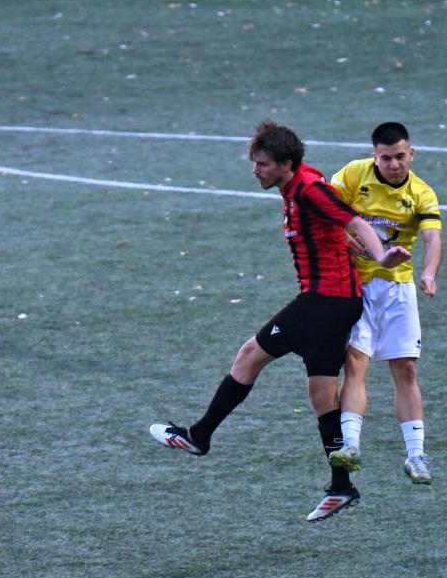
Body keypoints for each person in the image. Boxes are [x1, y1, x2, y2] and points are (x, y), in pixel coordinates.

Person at [149, 120, 410, 522]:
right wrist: (343, 242)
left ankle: (198, 436)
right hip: (337, 302)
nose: (256, 171)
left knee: (249, 355)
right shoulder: (296, 186)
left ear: (286, 164)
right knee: (322, 393)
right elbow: (335, 227)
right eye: (255, 163)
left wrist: (380, 256)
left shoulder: (309, 189)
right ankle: (342, 486)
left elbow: (355, 220)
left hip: (324, 301)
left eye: (263, 164)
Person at [326, 122, 442, 484]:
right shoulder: (352, 174)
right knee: (355, 363)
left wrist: (429, 273)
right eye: (386, 158)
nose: (394, 164)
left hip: (398, 289)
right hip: (355, 285)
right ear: (375, 156)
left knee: (406, 370)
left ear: (412, 154)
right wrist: (343, 238)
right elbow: (325, 210)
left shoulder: (422, 193)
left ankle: (416, 455)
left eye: (400, 156)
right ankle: (350, 446)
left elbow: (432, 238)